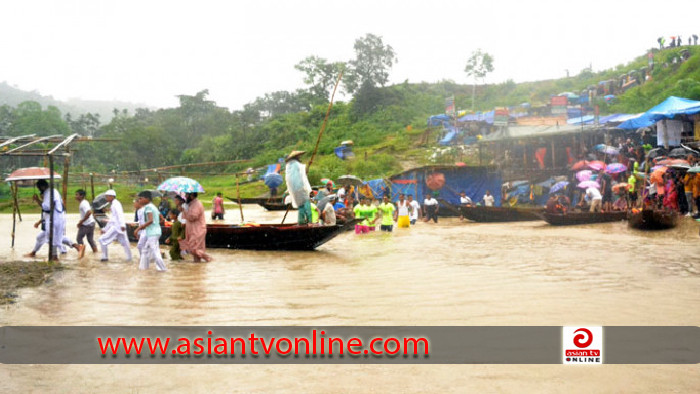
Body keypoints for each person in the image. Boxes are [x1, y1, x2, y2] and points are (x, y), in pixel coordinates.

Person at [24, 180, 82, 260]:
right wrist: (39, 222)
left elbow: (47, 208)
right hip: (57, 218)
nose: (39, 190)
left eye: (39, 188)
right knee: (44, 237)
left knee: (52, 238)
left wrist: (38, 200)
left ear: (42, 187)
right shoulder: (53, 191)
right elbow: (47, 213)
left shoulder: (49, 193)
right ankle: (34, 253)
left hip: (54, 220)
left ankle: (55, 257)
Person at [133, 191, 167, 271]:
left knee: (155, 252)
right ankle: (143, 268)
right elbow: (159, 219)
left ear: (147, 199)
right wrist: (156, 224)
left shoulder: (148, 207)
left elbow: (150, 220)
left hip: (153, 233)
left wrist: (139, 228)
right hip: (153, 231)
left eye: (141, 198)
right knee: (145, 249)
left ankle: (163, 269)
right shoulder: (152, 206)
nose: (140, 200)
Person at [98, 189, 132, 262]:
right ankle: (129, 258)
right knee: (125, 243)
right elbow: (113, 218)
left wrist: (122, 225)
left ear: (111, 197)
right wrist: (105, 229)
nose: (106, 198)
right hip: (118, 226)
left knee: (102, 239)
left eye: (107, 197)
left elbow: (120, 215)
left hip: (117, 226)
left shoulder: (116, 204)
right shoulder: (114, 204)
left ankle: (104, 257)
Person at [179, 192, 212, 262]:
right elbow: (184, 217)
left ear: (191, 195)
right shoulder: (189, 204)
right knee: (196, 252)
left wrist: (185, 210)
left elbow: (193, 217)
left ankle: (208, 258)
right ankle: (197, 268)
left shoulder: (197, 204)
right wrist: (183, 209)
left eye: (187, 195)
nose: (185, 196)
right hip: (191, 229)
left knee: (192, 249)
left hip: (198, 230)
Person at [284, 150, 312, 225]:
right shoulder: (296, 164)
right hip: (300, 188)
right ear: (296, 157)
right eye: (299, 156)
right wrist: (308, 165)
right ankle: (310, 221)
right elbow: (303, 174)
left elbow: (298, 175)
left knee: (300, 205)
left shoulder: (288, 166)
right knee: (306, 203)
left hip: (294, 190)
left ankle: (301, 221)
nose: (300, 157)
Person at [75, 189, 97, 256]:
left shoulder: (83, 204)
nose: (75, 196)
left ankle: (81, 254)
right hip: (91, 223)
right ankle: (95, 252)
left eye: (77, 195)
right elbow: (90, 211)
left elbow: (89, 212)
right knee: (90, 239)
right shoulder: (85, 202)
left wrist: (81, 222)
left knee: (79, 238)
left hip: (86, 225)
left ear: (81, 196)